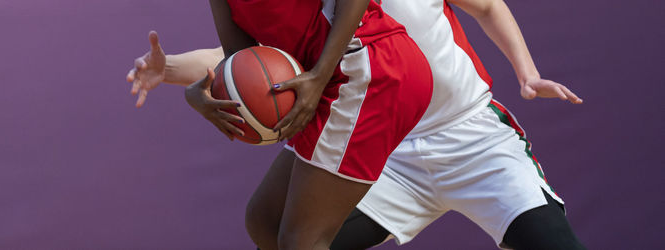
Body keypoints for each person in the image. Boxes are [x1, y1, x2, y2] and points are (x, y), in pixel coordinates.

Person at [126, 0, 585, 249]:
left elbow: (486, 6)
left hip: (469, 138)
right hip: (387, 155)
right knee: (276, 228)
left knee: (549, 243)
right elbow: (255, 64)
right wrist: (167, 71)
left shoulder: (364, 34)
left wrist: (527, 73)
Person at [186, 1, 434, 249]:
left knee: (302, 241)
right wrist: (204, 93)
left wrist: (318, 76)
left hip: (368, 65)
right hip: (333, 79)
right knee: (265, 221)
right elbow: (240, 58)